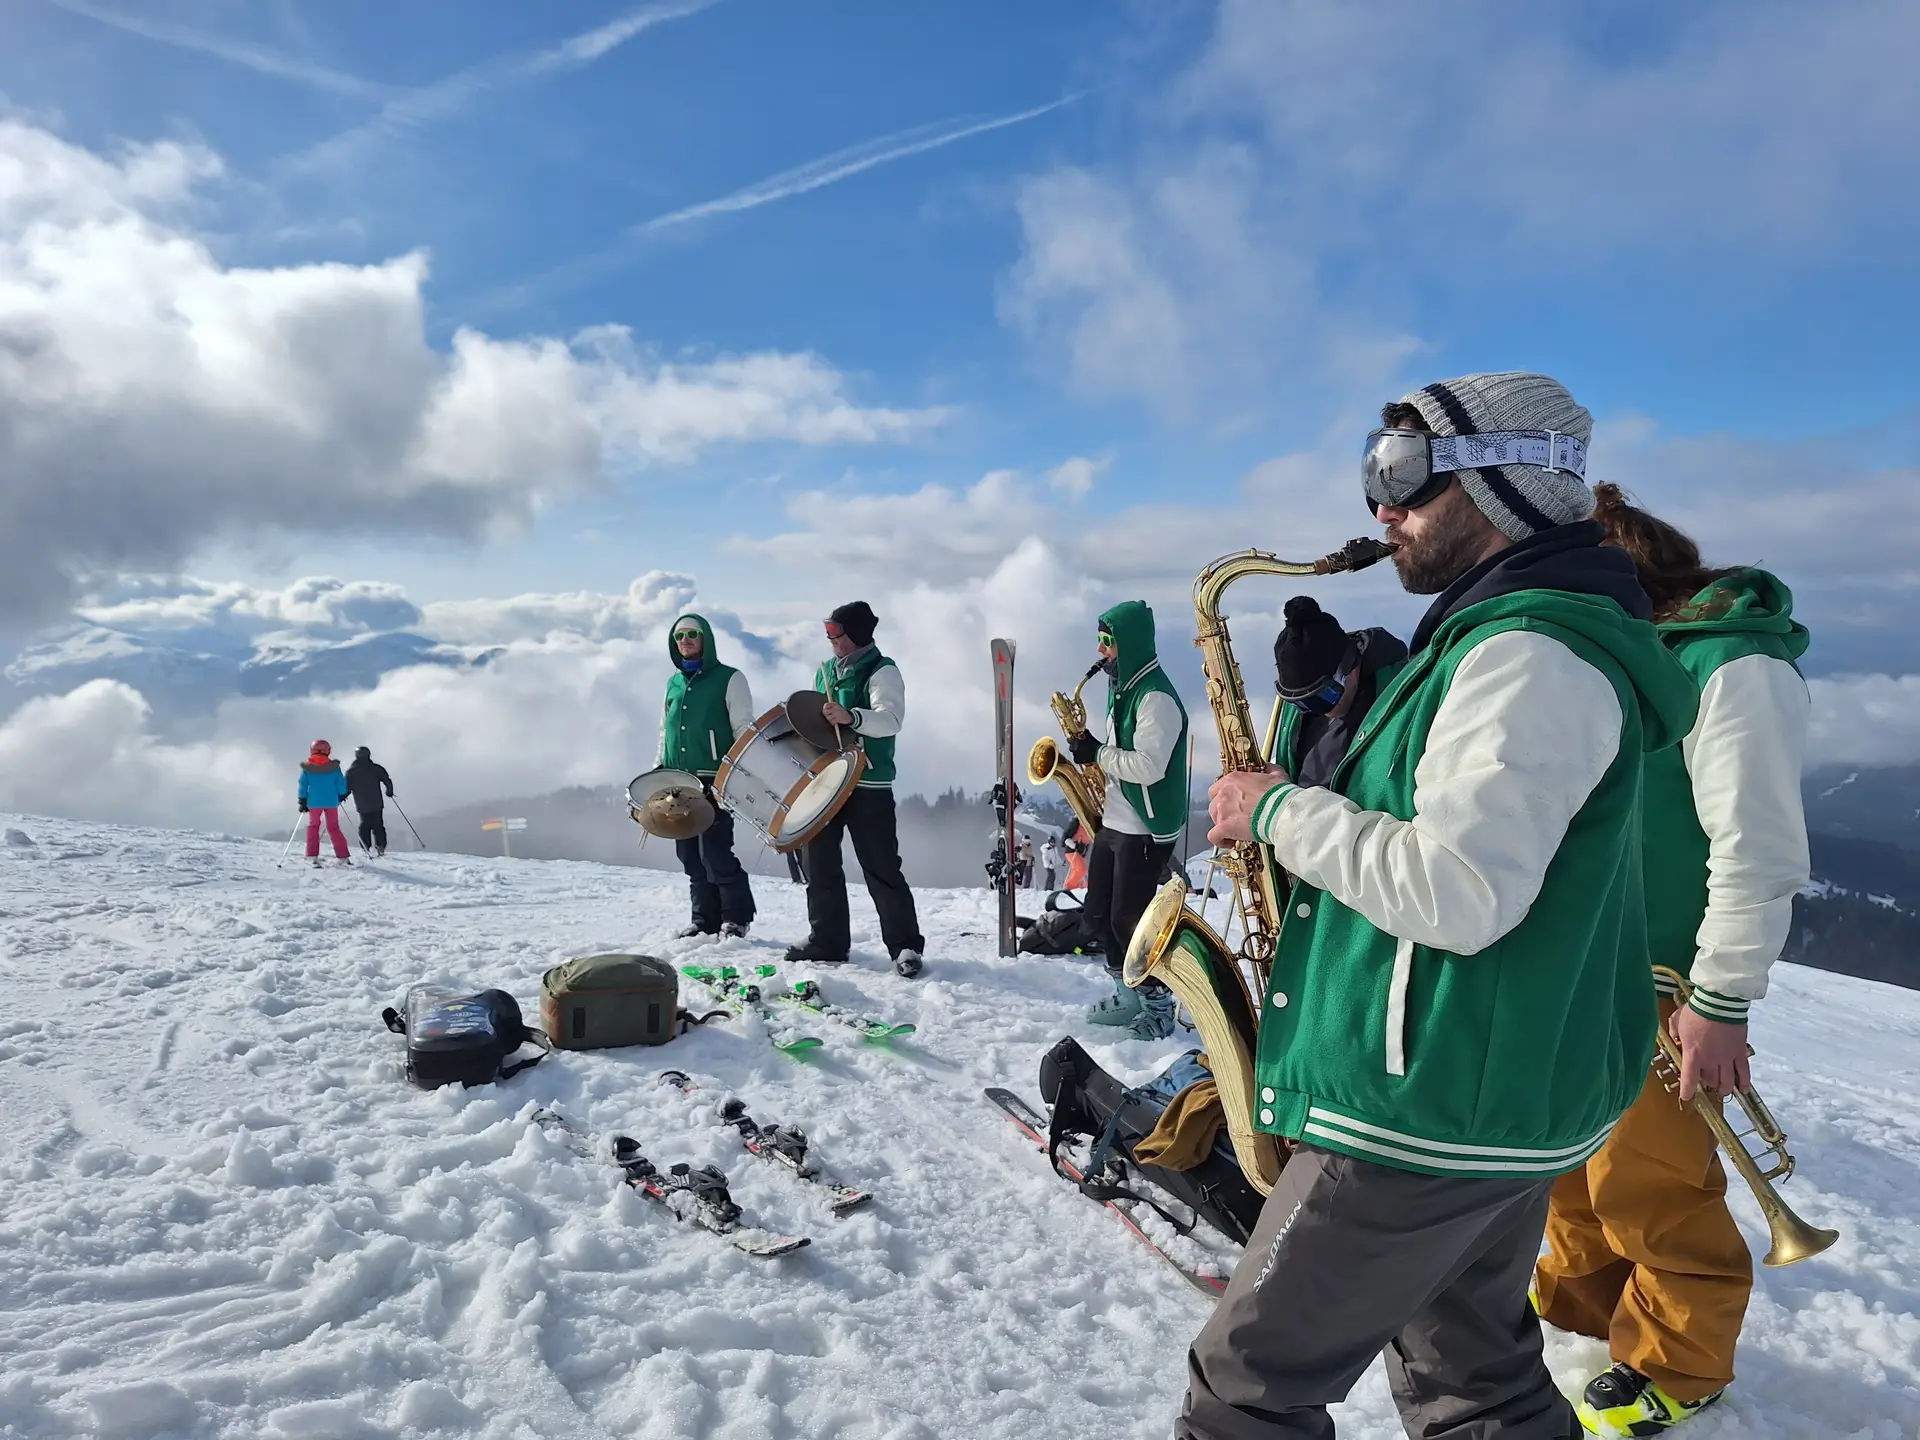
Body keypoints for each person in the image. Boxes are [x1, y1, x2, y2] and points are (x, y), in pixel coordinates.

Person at [1185, 372, 1697, 1440]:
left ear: (1507, 486)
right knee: (1476, 1384)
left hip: (1418, 1110)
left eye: (1406, 476)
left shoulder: (1528, 655)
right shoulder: (1503, 639)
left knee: (1244, 1387)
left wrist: (1278, 810)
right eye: (1378, 473)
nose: (1382, 509)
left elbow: (1460, 893)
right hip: (1471, 1091)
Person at [1534, 484, 1811, 1437]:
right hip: (1590, 965)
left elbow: (1758, 846)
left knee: (1650, 1181)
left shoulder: (1732, 664)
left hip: (1669, 981)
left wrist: (1723, 999)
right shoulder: (1633, 662)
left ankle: (1683, 1364)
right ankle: (1579, 1316)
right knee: (1570, 1164)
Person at [784, 602, 926, 978]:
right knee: (820, 864)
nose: (830, 639)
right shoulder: (825, 671)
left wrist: (853, 717)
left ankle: (905, 945)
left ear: (857, 634)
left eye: (837, 632)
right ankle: (827, 940)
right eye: (828, 632)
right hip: (828, 783)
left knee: (881, 867)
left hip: (869, 783)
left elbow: (891, 720)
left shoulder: (883, 671)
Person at [1068, 601, 1190, 1041]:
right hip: (1115, 819)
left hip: (1144, 825)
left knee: (1131, 920)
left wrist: (1097, 753)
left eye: (1108, 643)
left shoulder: (1155, 697)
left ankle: (1159, 1004)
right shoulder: (1123, 689)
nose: (1101, 652)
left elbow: (1150, 767)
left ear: (1130, 644)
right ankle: (1127, 995)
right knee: (1099, 914)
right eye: (1100, 641)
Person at [657, 613, 757, 940]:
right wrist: (658, 768)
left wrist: (737, 776)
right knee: (688, 855)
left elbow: (744, 730)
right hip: (677, 782)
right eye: (679, 636)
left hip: (716, 779)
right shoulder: (673, 683)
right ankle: (704, 921)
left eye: (692, 633)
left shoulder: (730, 678)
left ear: (706, 639)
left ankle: (736, 917)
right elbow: (665, 731)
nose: (685, 640)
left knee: (714, 852)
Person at [1270, 596, 1408, 787]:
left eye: (1324, 698)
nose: (1318, 710)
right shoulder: (1306, 705)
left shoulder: (1403, 691)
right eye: (1301, 703)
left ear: (1350, 670)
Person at [298, 739, 352, 867]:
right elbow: (341, 784)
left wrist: (302, 800)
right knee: (333, 827)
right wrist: (341, 794)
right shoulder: (334, 767)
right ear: (327, 750)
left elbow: (303, 785)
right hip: (331, 802)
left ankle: (312, 856)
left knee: (313, 827)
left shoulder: (307, 767)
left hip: (314, 802)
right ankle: (343, 856)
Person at [345, 746, 395, 856]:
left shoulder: (352, 772)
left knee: (365, 825)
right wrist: (389, 791)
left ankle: (365, 847)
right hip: (377, 802)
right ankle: (380, 847)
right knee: (378, 825)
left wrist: (340, 797)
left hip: (362, 803)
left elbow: (346, 788)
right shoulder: (376, 768)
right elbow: (387, 780)